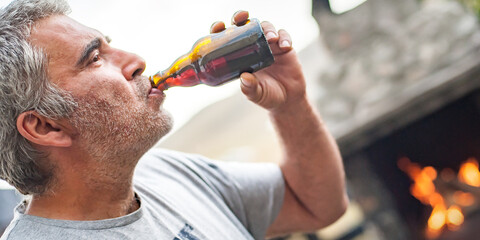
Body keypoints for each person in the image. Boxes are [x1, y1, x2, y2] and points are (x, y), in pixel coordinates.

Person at [0, 0, 348, 239]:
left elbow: (316, 205)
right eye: (93, 58)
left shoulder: (161, 173)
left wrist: (291, 103)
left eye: (110, 45)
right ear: (45, 126)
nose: (136, 60)